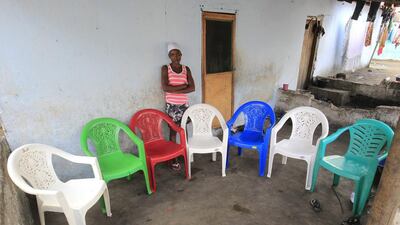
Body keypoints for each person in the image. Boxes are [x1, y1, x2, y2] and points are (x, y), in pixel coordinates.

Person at [161, 42, 195, 170]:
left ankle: (185, 153)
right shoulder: (166, 68)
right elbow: (165, 87)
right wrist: (183, 87)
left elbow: (192, 87)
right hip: (172, 106)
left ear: (181, 55)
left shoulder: (186, 69)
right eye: (172, 54)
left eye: (177, 54)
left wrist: (174, 89)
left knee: (184, 131)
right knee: (173, 132)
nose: (175, 56)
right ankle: (174, 158)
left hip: (183, 106)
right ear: (169, 56)